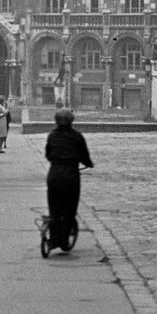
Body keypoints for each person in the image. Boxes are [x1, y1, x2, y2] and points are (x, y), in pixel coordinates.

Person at [43, 107, 92, 252]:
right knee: (69, 209)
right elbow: (84, 155)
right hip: (71, 175)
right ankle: (64, 241)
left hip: (55, 175)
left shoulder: (52, 136)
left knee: (54, 209)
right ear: (71, 121)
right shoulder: (77, 136)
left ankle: (53, 239)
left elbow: (48, 154)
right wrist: (89, 163)